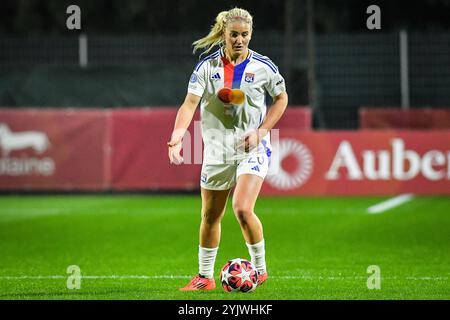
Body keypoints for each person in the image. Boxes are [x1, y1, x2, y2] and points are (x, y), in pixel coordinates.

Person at [167, 7, 288, 291]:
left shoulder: (264, 67)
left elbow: (281, 98)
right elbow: (189, 104)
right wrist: (177, 136)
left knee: (243, 208)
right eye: (234, 34)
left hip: (252, 147)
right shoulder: (207, 68)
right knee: (210, 215)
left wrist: (261, 131)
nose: (239, 40)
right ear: (224, 34)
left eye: (245, 35)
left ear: (250, 35)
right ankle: (204, 278)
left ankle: (259, 270)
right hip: (216, 150)